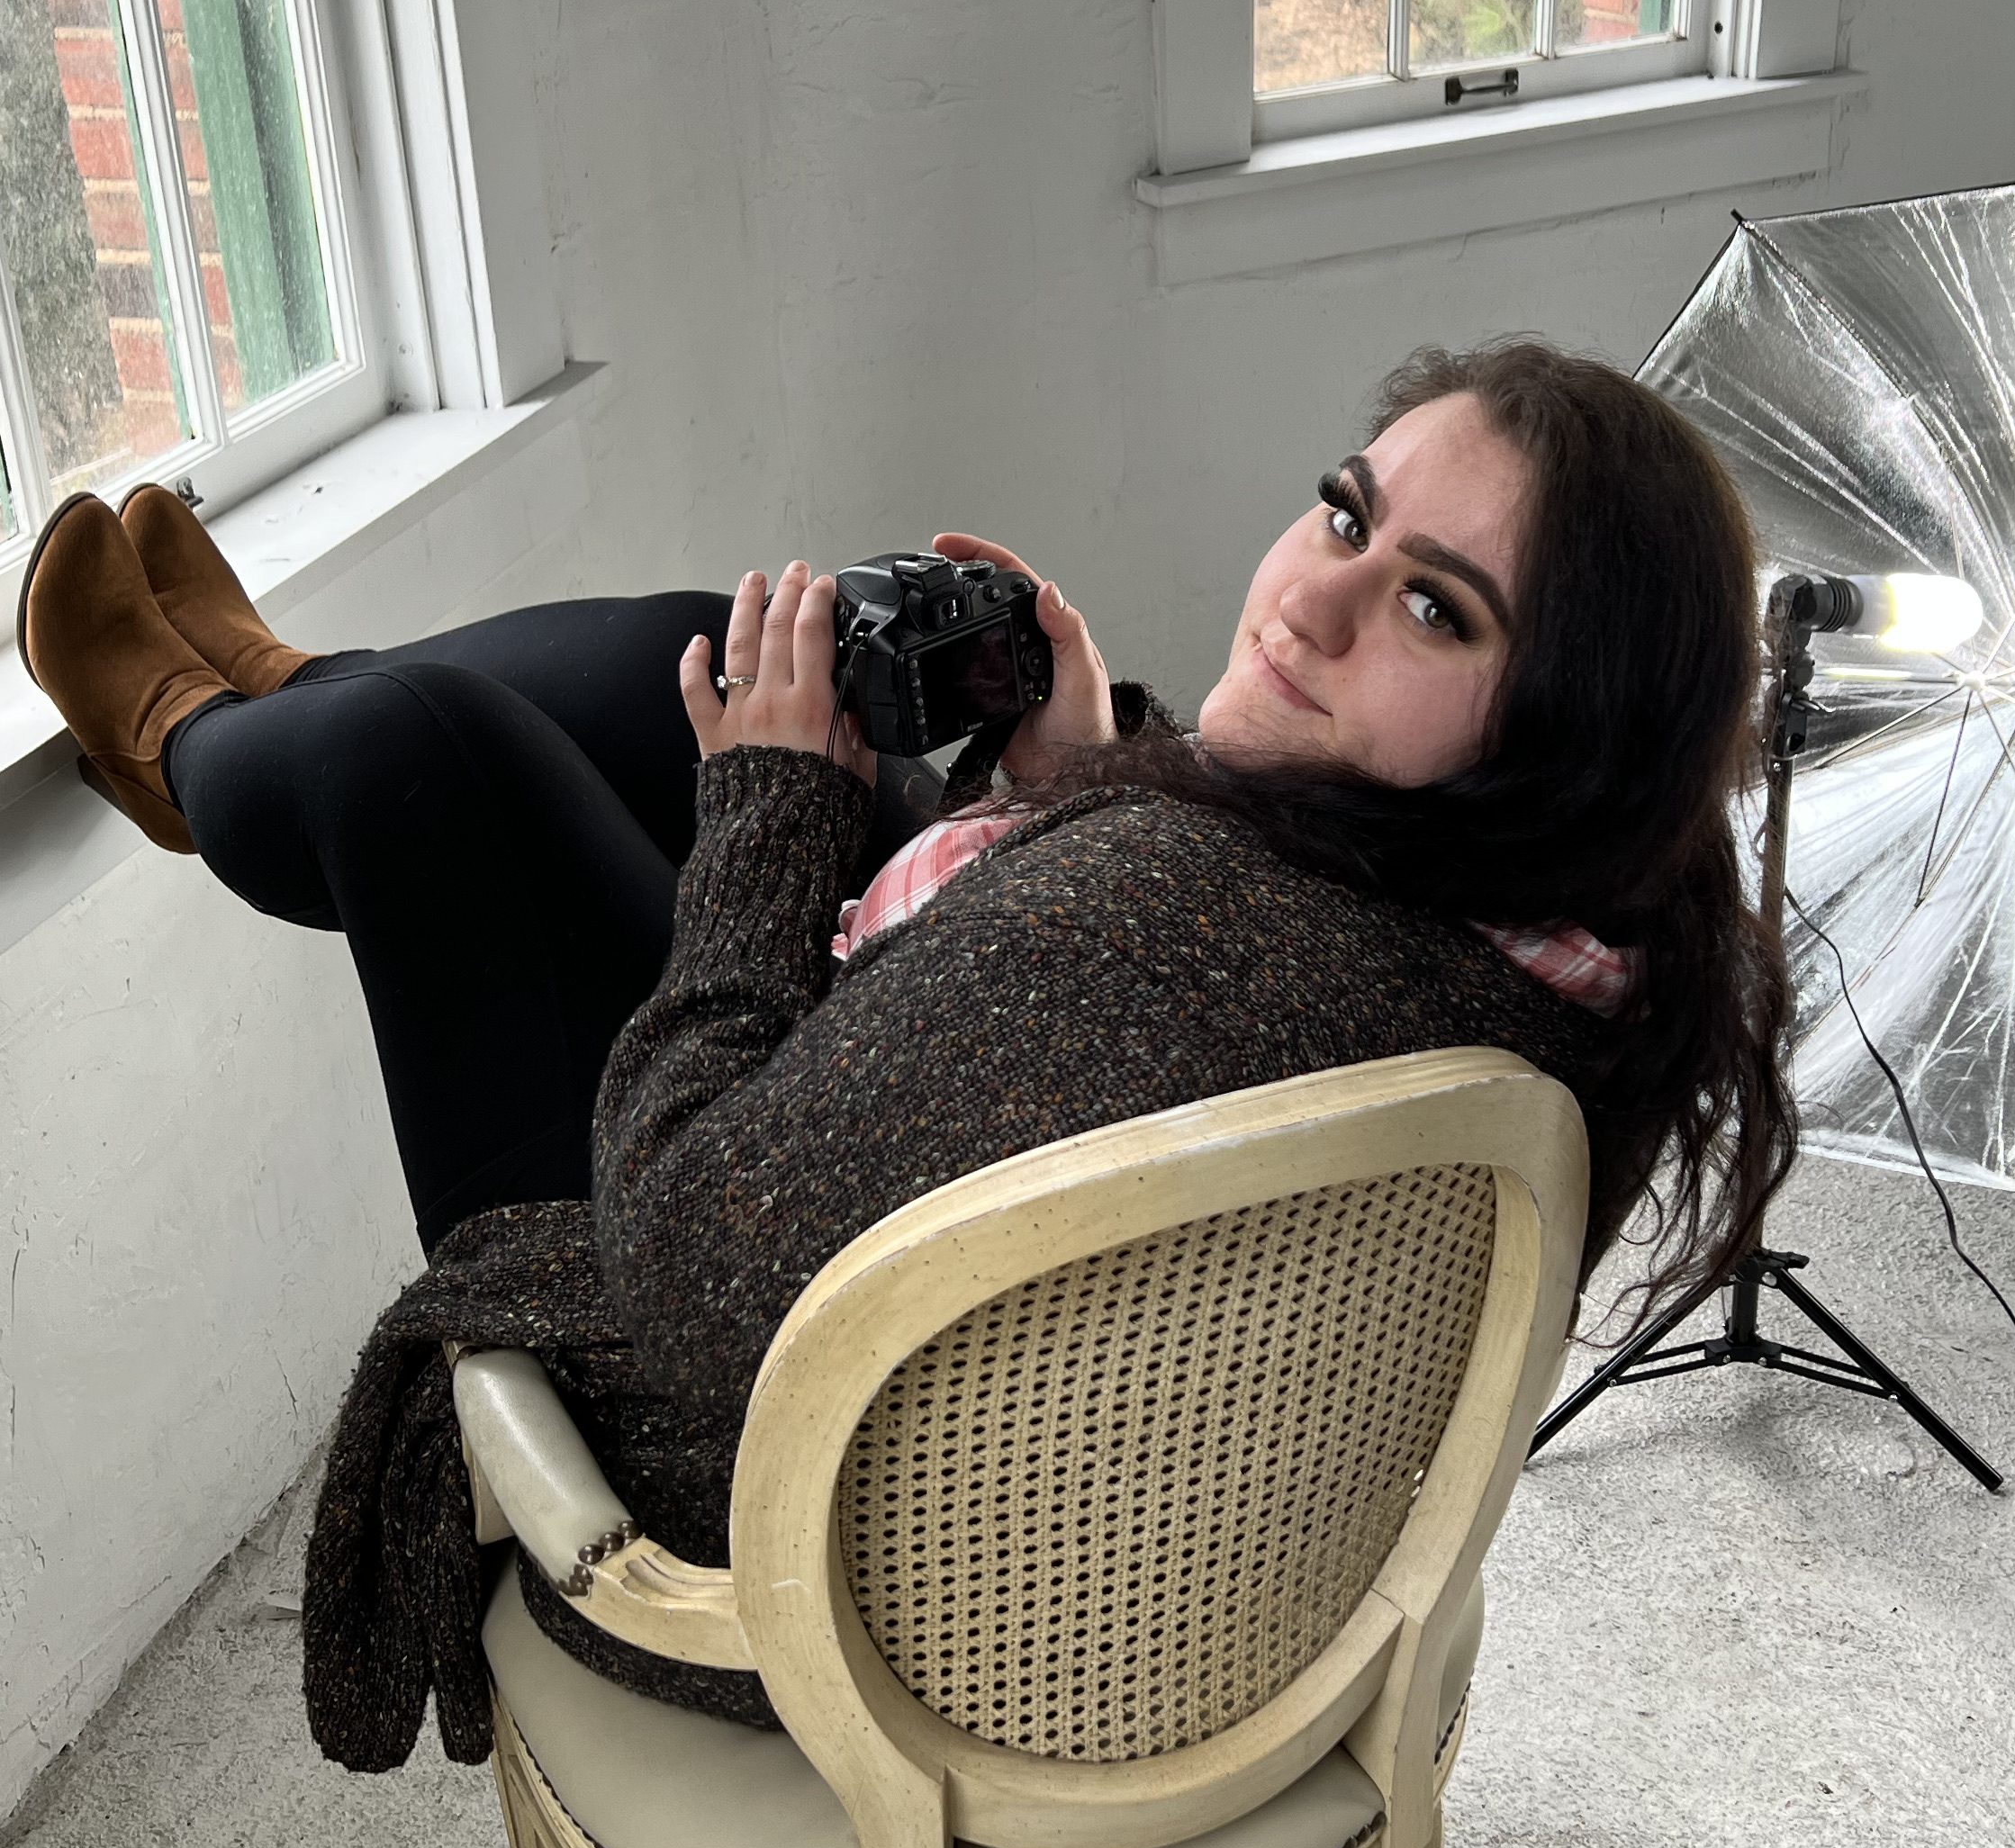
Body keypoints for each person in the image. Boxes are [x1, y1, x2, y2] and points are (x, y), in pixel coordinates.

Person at [14, 338, 1794, 1767]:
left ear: (1562, 732)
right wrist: (1076, 778)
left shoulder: (1161, 931)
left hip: (805, 1546)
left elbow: (693, 1255)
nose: (1311, 607)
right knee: (691, 666)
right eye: (1345, 516)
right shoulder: (1581, 941)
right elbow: (1129, 1009)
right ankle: (281, 677)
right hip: (1064, 1449)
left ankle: (202, 738)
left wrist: (777, 819)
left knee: (417, 766)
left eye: (1434, 610)